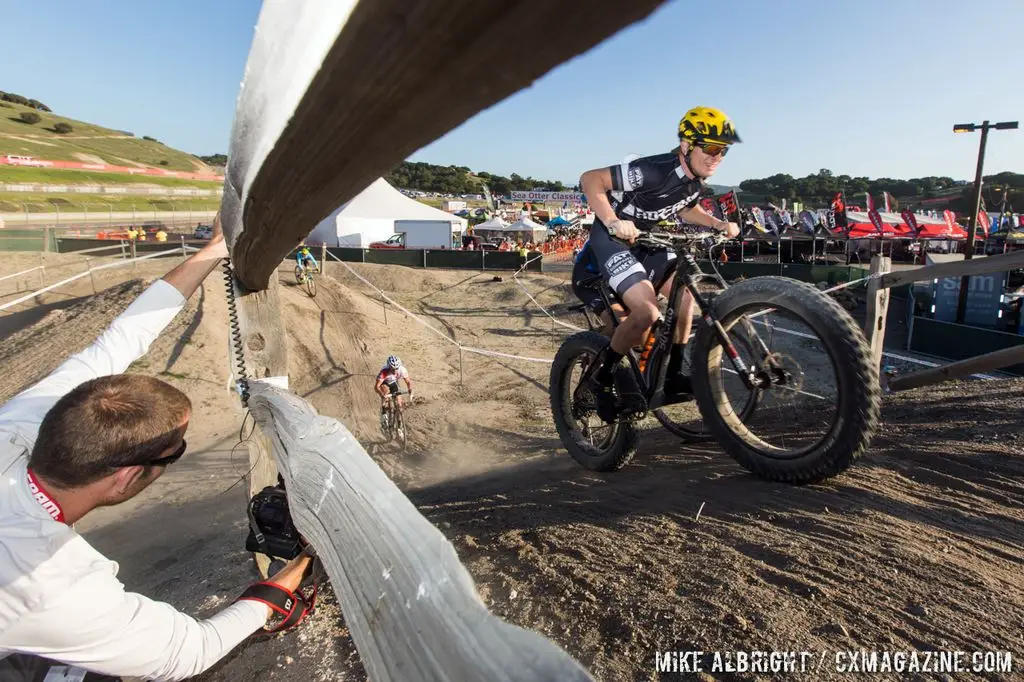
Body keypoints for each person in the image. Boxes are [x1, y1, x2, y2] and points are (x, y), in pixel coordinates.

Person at [0, 214, 315, 682]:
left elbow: (121, 338)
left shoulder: (23, 419)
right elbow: (188, 652)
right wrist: (299, 569)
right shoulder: (46, 586)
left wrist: (213, 251)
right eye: (176, 451)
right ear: (128, 475)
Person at [577, 105, 742, 423]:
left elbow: (685, 209)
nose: (716, 157)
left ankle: (675, 374)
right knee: (647, 313)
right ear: (686, 145)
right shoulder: (652, 170)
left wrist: (718, 224)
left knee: (686, 298)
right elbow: (590, 179)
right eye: (710, 148)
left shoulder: (694, 180)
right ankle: (602, 380)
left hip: (646, 242)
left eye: (722, 150)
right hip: (612, 241)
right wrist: (612, 221)